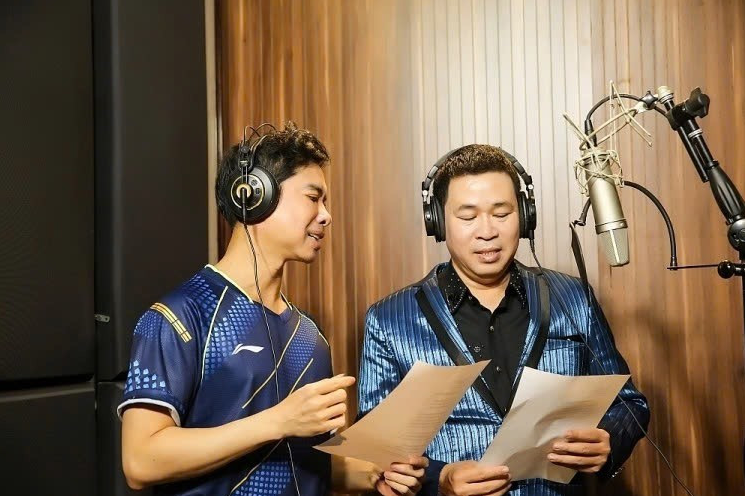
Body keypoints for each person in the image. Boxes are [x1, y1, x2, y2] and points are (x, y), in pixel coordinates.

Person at [119, 122, 427, 495]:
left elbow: (306, 465)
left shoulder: (311, 337)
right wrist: (279, 421)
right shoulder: (177, 317)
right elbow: (140, 460)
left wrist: (376, 475)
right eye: (313, 198)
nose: (326, 215)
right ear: (254, 195)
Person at [358, 144, 649, 495]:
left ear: (525, 215)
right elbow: (375, 452)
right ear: (437, 221)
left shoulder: (574, 299)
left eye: (501, 213)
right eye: (468, 217)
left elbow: (629, 404)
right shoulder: (388, 319)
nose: (487, 231)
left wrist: (609, 439)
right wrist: (440, 478)